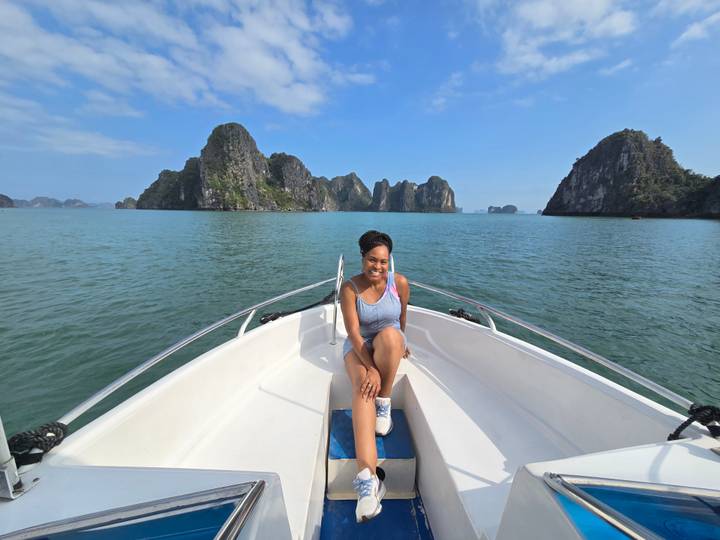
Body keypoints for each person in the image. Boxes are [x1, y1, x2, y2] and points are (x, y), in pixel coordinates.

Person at [340, 230, 410, 523]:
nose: (378, 267)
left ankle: (385, 401)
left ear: (389, 260)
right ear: (363, 258)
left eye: (383, 261)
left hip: (388, 341)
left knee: (394, 337)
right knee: (361, 387)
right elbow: (354, 335)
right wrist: (369, 367)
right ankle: (368, 481)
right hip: (359, 347)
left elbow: (402, 316)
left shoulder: (400, 283)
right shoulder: (350, 289)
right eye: (372, 260)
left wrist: (405, 343)